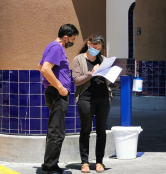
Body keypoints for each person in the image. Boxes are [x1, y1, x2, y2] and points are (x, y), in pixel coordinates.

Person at [38, 24, 79, 174]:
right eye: (72, 39)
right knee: (57, 132)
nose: (72, 42)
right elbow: (45, 69)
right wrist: (60, 87)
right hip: (57, 94)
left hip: (53, 92)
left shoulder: (50, 46)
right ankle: (49, 168)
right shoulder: (57, 47)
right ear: (66, 37)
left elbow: (39, 66)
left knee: (55, 131)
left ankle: (52, 165)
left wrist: (49, 83)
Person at [72, 34, 112, 173]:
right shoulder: (78, 59)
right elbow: (77, 81)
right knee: (85, 130)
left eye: (99, 48)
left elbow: (108, 79)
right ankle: (85, 162)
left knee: (101, 130)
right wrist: (91, 73)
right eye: (94, 47)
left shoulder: (104, 59)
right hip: (86, 98)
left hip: (103, 98)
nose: (96, 50)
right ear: (88, 44)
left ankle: (100, 162)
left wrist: (111, 74)